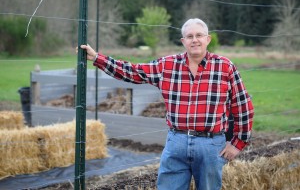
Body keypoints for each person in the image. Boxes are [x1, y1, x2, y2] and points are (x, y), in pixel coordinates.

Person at [80, 18, 254, 190]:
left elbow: (243, 106)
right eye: (189, 36)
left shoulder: (224, 67)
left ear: (208, 39)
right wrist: (97, 58)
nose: (195, 40)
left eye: (199, 35)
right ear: (183, 41)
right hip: (177, 141)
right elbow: (132, 71)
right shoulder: (167, 66)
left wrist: (238, 143)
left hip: (210, 145)